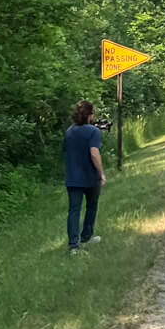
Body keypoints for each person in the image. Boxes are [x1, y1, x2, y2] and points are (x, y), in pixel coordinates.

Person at [63, 100, 106, 254]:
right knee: (91, 206)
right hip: (90, 177)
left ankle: (73, 245)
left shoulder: (69, 131)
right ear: (90, 115)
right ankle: (86, 237)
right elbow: (94, 153)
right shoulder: (94, 132)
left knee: (74, 210)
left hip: (72, 177)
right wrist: (101, 173)